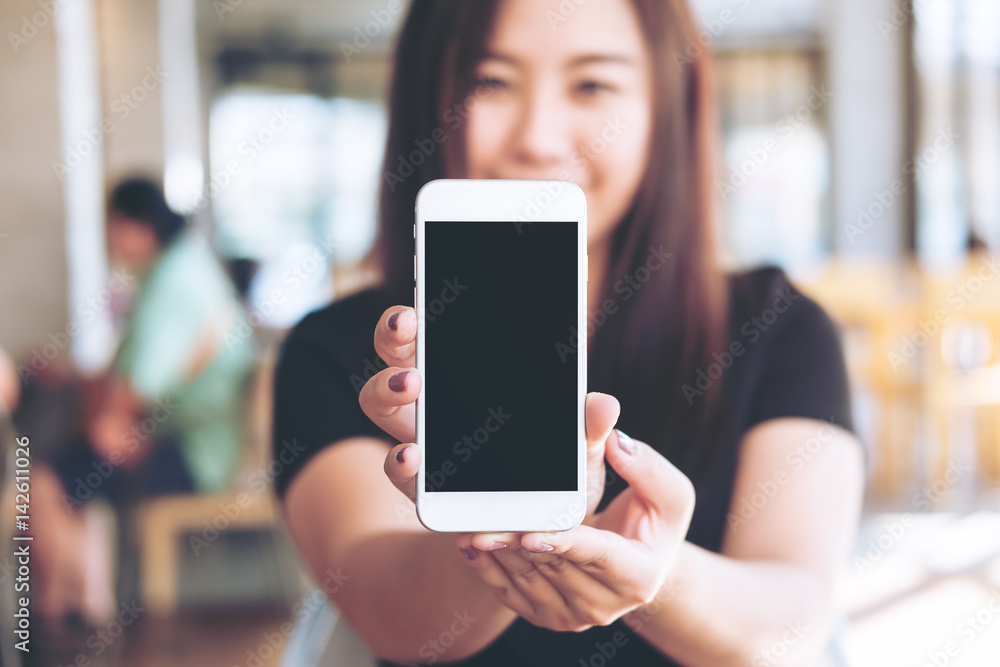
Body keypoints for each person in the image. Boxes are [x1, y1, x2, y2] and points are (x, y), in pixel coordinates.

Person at [272, 1, 867, 665]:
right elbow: (393, 614)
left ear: (666, 104)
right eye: (489, 81)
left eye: (592, 84)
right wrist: (498, 517)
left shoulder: (778, 329)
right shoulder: (341, 348)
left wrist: (653, 573)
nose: (539, 136)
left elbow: (792, 620)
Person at [28, 178, 256, 625]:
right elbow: (134, 375)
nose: (109, 239)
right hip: (188, 438)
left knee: (46, 482)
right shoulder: (178, 268)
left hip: (196, 452)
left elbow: (137, 386)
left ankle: (60, 623)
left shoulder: (173, 279)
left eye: (111, 225)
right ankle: (84, 608)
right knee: (73, 480)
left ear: (136, 227)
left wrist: (107, 421)